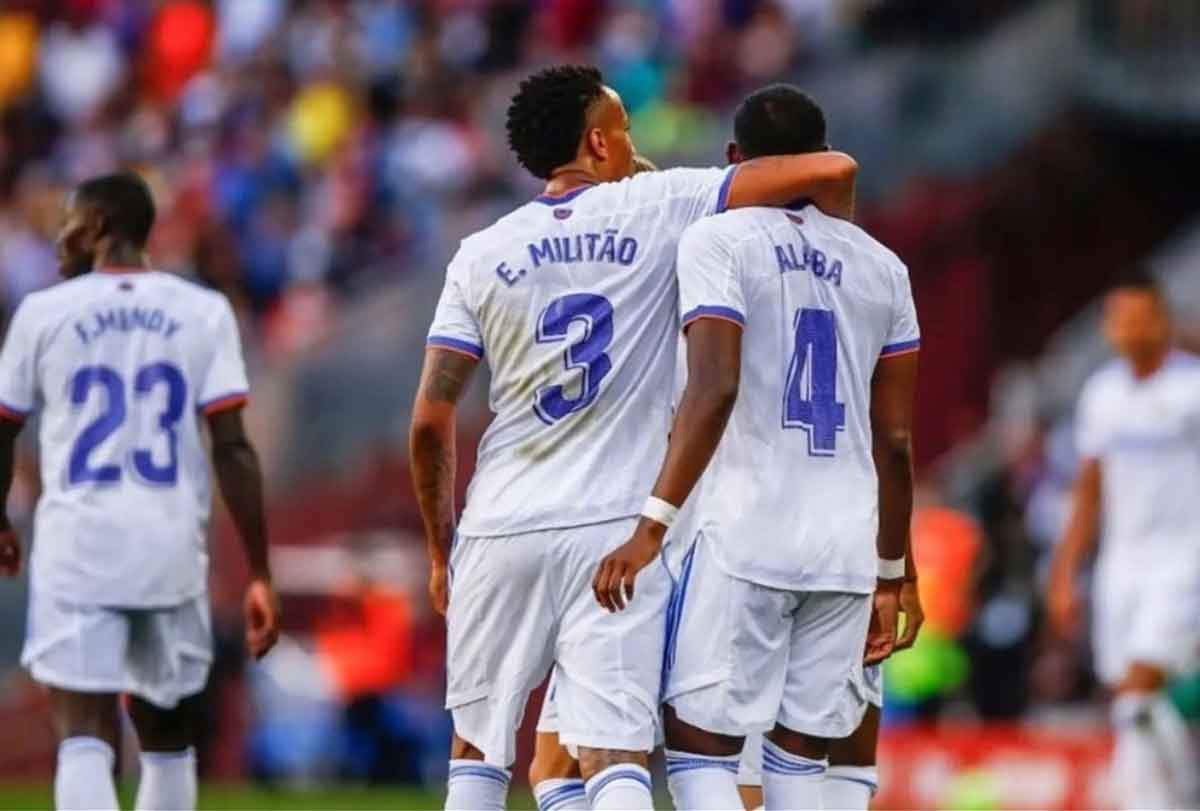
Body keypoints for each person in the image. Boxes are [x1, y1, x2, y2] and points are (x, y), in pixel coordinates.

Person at [408, 64, 858, 811]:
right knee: (613, 756)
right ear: (597, 142)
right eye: (623, 128)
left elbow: (430, 419)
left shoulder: (481, 251)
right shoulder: (658, 202)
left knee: (477, 755)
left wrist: (439, 546)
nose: (632, 142)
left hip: (499, 527)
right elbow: (830, 168)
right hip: (615, 531)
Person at [590, 84, 920, 810]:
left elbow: (715, 387)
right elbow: (894, 441)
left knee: (699, 748)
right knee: (800, 759)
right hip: (846, 546)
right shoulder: (884, 267)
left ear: (735, 158)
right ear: (820, 153)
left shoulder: (719, 239)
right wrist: (895, 573)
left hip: (745, 530)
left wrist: (651, 525)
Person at [0, 171, 280, 811]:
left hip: (77, 544)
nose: (59, 239)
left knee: (83, 730)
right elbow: (233, 447)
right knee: (168, 735)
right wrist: (260, 569)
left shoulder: (43, 312)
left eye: (69, 224)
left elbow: (3, 429)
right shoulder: (202, 310)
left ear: (99, 226)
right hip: (169, 546)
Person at [1047, 271, 1200, 810]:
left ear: (1163, 320)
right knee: (1130, 701)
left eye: (1142, 318)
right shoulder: (1102, 394)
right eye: (1121, 320)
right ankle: (1172, 795)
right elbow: (1089, 490)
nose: (1132, 329)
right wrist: (1064, 573)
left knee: (1139, 689)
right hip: (1121, 564)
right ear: (1108, 327)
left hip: (1183, 562)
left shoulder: (1191, 388)